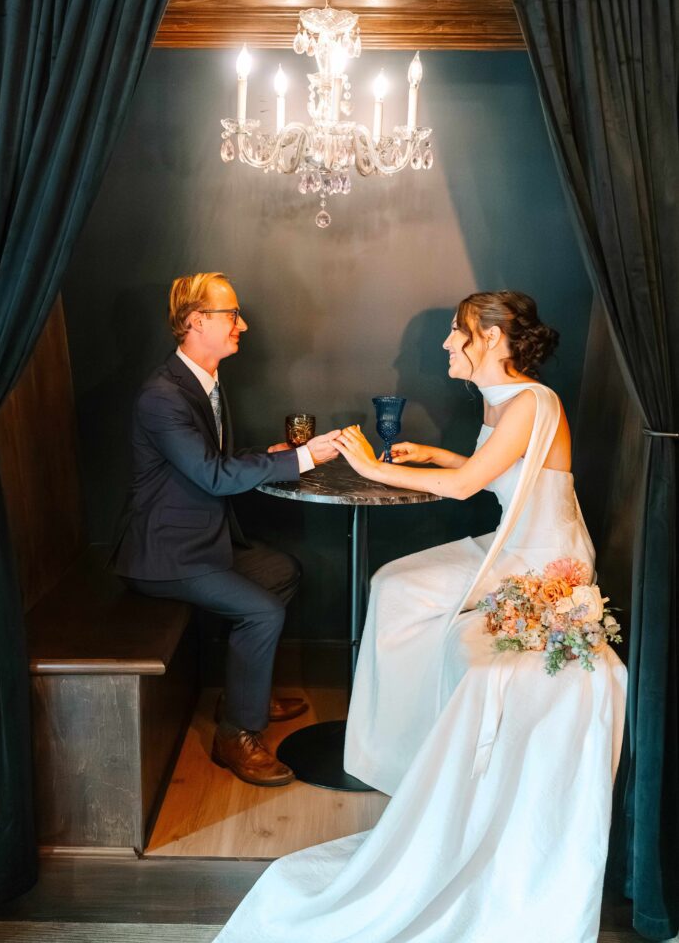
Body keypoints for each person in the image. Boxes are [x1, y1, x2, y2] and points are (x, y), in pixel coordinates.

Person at [213, 290, 627, 943]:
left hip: (540, 562)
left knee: (411, 596)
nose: (443, 346)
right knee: (395, 582)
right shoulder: (504, 402)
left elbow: (467, 491)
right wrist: (434, 456)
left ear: (490, 338)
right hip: (505, 543)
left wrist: (371, 464)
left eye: (456, 333)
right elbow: (499, 478)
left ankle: (417, 765)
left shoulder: (532, 400)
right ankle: (393, 757)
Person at [113, 272, 340, 787]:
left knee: (283, 571)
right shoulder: (162, 396)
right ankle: (236, 732)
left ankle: (243, 691)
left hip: (202, 543)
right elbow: (212, 476)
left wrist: (272, 456)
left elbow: (209, 461)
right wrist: (304, 456)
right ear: (197, 322)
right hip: (164, 555)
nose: (243, 324)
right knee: (261, 612)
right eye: (231, 314)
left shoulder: (204, 380)